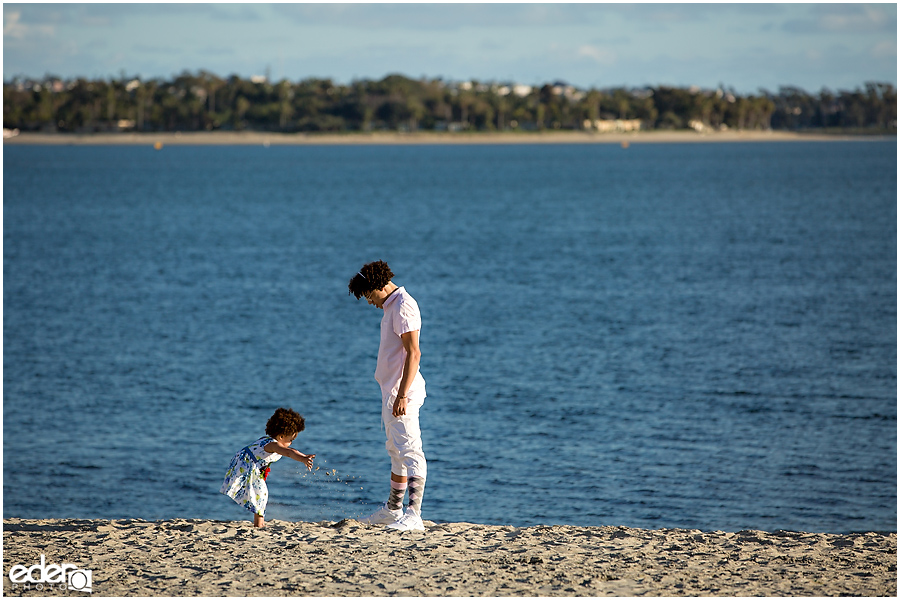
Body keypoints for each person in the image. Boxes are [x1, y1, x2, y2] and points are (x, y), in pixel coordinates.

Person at [348, 260, 428, 532]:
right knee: (395, 451)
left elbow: (414, 353)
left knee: (411, 449)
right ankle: (393, 510)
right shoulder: (391, 305)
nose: (370, 302)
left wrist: (402, 395)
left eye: (370, 296)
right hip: (392, 392)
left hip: (402, 392)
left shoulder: (403, 305)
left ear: (381, 287)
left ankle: (414, 514)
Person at [220, 407, 315, 528]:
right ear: (281, 436)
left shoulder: (266, 440)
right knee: (261, 493)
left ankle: (259, 522)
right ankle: (259, 524)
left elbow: (290, 450)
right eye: (290, 440)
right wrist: (303, 459)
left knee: (259, 492)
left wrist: (303, 456)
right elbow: (289, 452)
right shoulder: (273, 445)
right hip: (247, 466)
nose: (291, 442)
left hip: (245, 463)